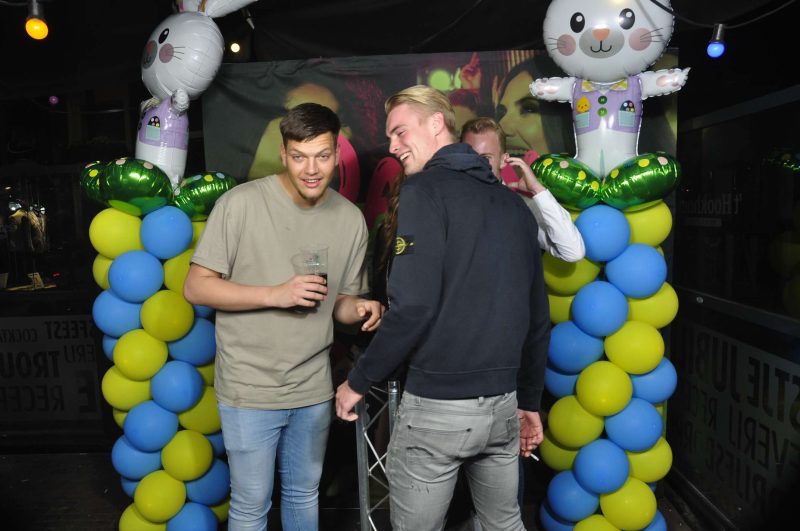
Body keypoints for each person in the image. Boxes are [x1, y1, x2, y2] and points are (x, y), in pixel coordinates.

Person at [335, 85, 550, 531]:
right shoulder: (513, 206)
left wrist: (358, 380)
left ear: (436, 124)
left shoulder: (423, 191)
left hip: (438, 410)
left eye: (400, 132)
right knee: (504, 524)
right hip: (503, 406)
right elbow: (537, 316)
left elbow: (413, 307)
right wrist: (528, 400)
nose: (392, 146)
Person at [184, 102, 383, 531]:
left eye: (322, 156)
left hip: (312, 388)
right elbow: (196, 287)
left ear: (337, 154)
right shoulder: (240, 205)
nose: (311, 169)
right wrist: (276, 294)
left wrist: (360, 308)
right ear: (283, 153)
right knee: (251, 505)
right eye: (299, 156)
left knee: (303, 495)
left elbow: (340, 304)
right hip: (250, 389)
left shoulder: (349, 219)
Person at [460, 117, 585, 263]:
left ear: (503, 160)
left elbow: (573, 252)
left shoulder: (522, 206)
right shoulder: (448, 199)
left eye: (486, 157)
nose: (475, 164)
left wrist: (538, 190)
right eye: (469, 156)